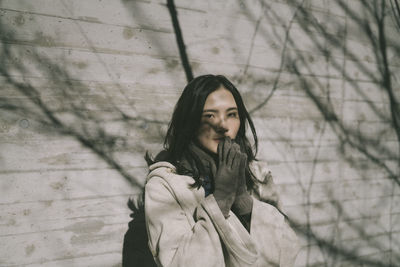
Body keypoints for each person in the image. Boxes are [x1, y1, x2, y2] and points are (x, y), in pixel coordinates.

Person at [126, 74, 299, 267]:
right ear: (190, 122)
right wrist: (221, 200)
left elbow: (288, 253)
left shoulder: (256, 173)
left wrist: (243, 201)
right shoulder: (164, 185)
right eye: (210, 115)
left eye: (232, 114)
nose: (223, 125)